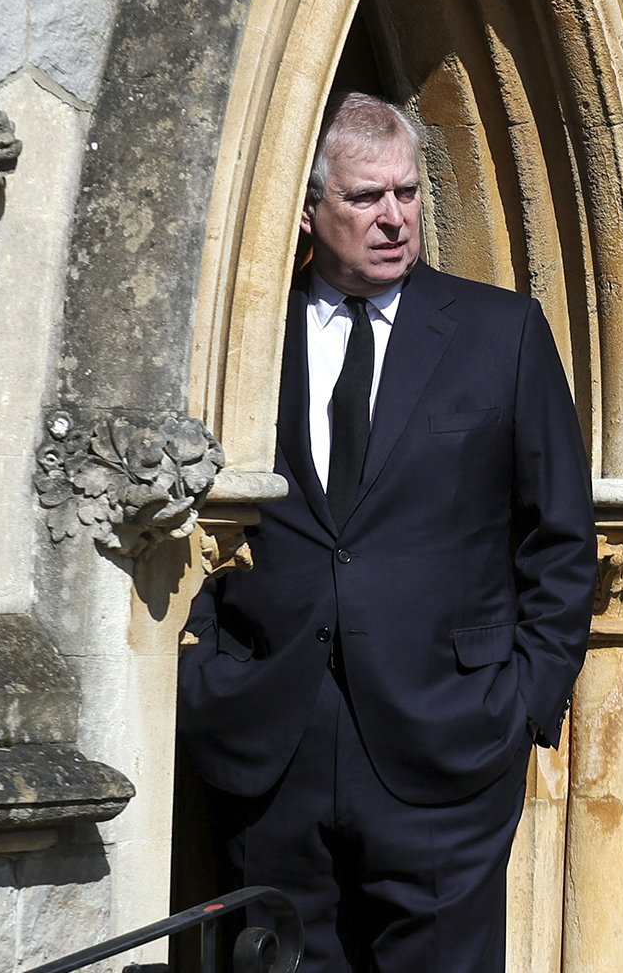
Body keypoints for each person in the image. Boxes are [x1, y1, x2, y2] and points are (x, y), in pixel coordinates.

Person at [177, 92, 597, 973]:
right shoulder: (238, 335)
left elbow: (559, 536)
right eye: (366, 198)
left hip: (449, 745)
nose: (395, 218)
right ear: (308, 209)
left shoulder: (502, 333)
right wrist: (203, 680)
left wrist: (525, 702)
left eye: (407, 193)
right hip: (269, 742)